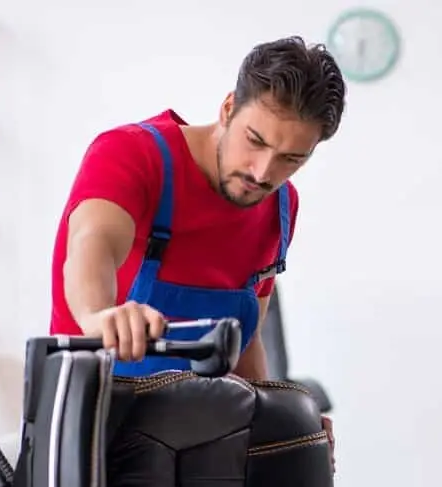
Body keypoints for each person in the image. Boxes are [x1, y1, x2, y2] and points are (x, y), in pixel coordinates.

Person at [48, 36, 346, 462]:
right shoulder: (132, 154)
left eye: (290, 159)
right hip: (94, 432)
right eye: (256, 141)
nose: (264, 173)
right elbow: (92, 241)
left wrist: (280, 426)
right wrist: (100, 314)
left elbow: (244, 343)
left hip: (204, 444)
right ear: (228, 108)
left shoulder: (281, 204)